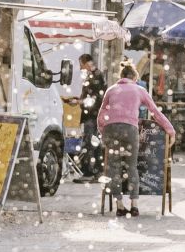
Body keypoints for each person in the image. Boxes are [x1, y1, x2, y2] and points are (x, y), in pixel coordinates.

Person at [97, 63, 174, 217]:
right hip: (130, 130)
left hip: (111, 129)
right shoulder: (139, 90)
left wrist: (103, 129)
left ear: (121, 77)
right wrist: (170, 129)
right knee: (132, 167)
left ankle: (119, 205)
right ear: (134, 78)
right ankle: (134, 205)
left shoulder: (111, 90)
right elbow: (155, 112)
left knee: (114, 167)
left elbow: (101, 114)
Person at [74, 53, 107, 179]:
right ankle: (98, 170)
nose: (80, 67)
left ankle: (89, 171)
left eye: (81, 64)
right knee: (95, 143)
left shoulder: (95, 76)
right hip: (93, 115)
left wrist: (80, 102)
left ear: (87, 63)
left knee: (89, 143)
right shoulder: (95, 75)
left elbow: (96, 98)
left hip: (92, 115)